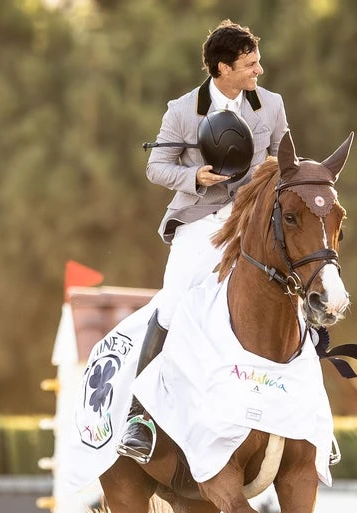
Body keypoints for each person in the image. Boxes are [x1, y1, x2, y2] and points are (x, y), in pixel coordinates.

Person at [118, 19, 289, 463]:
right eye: (250, 65)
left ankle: (306, 417)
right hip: (198, 222)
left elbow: (283, 160)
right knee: (172, 304)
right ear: (221, 68)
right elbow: (157, 167)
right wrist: (193, 175)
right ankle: (139, 419)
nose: (259, 72)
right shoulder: (181, 110)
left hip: (250, 223)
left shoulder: (270, 105)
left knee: (292, 294)